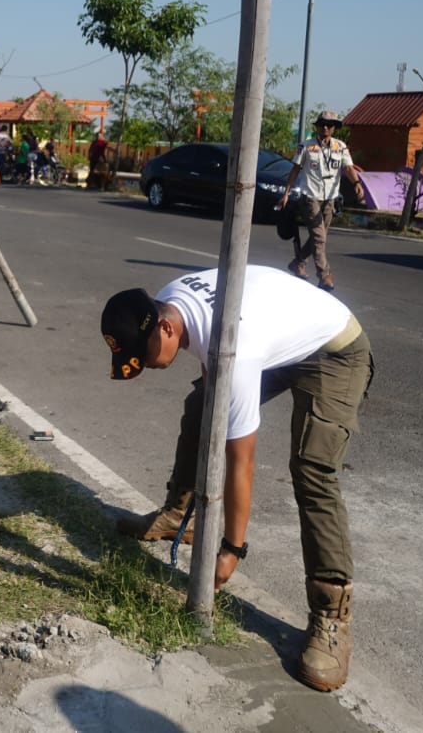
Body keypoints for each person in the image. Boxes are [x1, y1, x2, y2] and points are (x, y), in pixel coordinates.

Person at [100, 265, 374, 692]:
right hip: (273, 333)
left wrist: (230, 551)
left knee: (312, 469)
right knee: (201, 407)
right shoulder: (170, 299)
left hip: (333, 349)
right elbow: (214, 370)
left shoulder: (235, 347)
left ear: (168, 327)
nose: (146, 367)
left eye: (144, 355)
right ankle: (179, 515)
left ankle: (331, 614)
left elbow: (240, 459)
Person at [281, 110, 366, 291]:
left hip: (330, 198)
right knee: (319, 237)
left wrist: (357, 183)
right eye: (322, 124)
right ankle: (324, 276)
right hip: (310, 196)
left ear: (334, 128)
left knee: (319, 237)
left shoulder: (340, 147)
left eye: (329, 125)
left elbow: (349, 168)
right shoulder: (306, 146)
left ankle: (298, 263)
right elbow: (295, 170)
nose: (325, 127)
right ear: (317, 127)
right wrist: (286, 192)